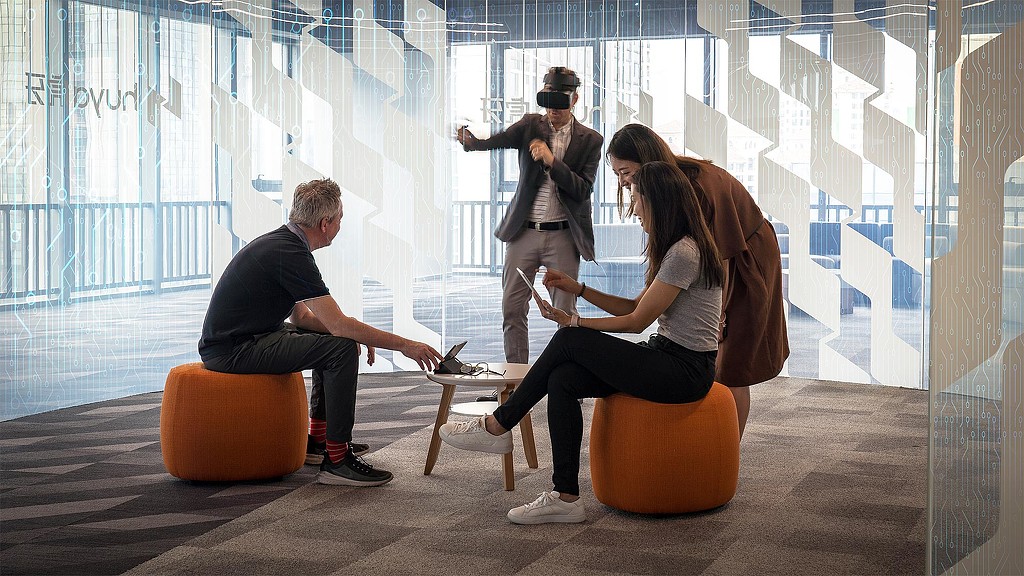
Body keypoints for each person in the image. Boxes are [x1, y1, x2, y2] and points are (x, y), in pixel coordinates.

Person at [438, 161, 723, 524]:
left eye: (635, 199)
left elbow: (638, 321)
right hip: (667, 357)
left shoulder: (684, 252)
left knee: (570, 340)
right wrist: (578, 290)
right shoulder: (679, 248)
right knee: (564, 378)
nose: (633, 208)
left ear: (658, 202)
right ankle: (566, 496)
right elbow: (638, 305)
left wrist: (574, 320)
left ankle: (499, 424)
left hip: (686, 371)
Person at [198, 178, 443, 487]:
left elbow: (302, 318)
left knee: (337, 340)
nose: (341, 224)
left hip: (251, 336)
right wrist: (404, 344)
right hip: (233, 349)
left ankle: (320, 441)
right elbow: (336, 323)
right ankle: (338, 461)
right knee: (339, 347)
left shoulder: (286, 244)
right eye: (341, 218)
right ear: (326, 223)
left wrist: (352, 333)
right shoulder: (290, 253)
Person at [606, 123, 789, 438]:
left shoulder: (697, 184)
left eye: (625, 172)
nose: (623, 182)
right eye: (617, 175)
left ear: (645, 158)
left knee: (733, 364)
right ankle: (712, 445)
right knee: (719, 354)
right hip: (722, 256)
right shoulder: (666, 185)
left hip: (745, 256)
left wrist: (719, 313)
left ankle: (728, 451)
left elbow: (722, 253)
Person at [457, 66, 603, 365]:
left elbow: (582, 189)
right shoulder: (530, 126)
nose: (553, 110)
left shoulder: (591, 140)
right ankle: (517, 378)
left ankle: (565, 376)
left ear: (574, 100)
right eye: (548, 101)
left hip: (563, 235)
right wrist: (471, 142)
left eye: (560, 102)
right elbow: (495, 141)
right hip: (523, 232)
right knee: (512, 308)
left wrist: (551, 162)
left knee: (565, 313)